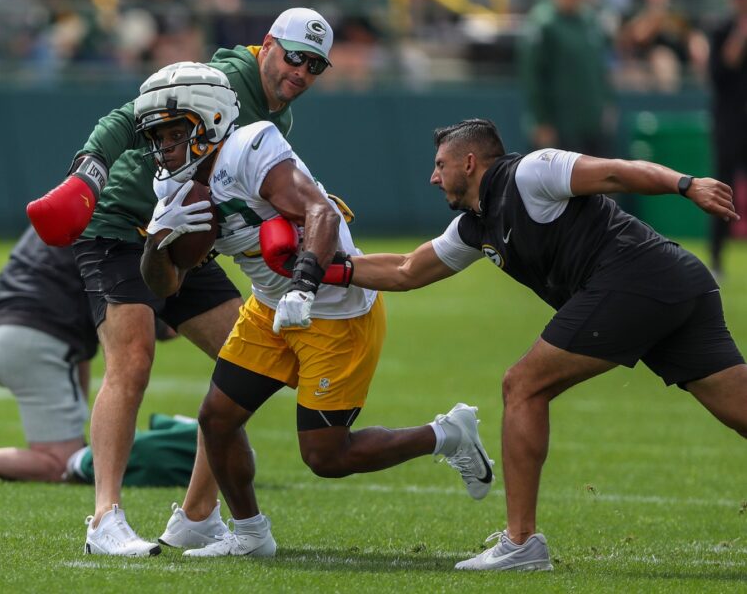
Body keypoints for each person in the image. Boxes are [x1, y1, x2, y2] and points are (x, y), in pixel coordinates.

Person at [319, 118, 747, 571]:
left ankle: (520, 543)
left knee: (523, 386)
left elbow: (617, 172)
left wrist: (687, 184)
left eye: (440, 165)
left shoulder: (531, 172)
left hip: (636, 279)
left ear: (469, 162)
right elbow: (407, 269)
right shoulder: (474, 227)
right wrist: (329, 267)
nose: (433, 176)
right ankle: (520, 542)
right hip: (675, 282)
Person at [135, 63, 496, 558]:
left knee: (326, 456)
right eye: (158, 136)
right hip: (268, 307)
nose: (165, 147)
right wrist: (156, 244)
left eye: (175, 133)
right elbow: (168, 284)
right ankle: (250, 534)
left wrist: (303, 286)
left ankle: (447, 435)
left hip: (332, 307)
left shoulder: (250, 147)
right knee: (216, 420)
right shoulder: (170, 189)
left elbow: (319, 212)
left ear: (211, 121)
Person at [24, 8, 342, 557]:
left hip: (186, 235)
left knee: (248, 361)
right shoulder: (221, 76)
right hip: (121, 225)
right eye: (295, 56)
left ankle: (197, 516)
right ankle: (105, 518)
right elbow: (129, 114)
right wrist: (88, 174)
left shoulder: (277, 118)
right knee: (133, 359)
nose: (302, 71)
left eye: (316, 65)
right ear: (266, 45)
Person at [0, 226, 199, 488]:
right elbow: (158, 324)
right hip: (33, 338)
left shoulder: (79, 205)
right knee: (61, 463)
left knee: (73, 449)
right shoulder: (118, 223)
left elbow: (82, 346)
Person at [518, 0, 616, 156]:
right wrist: (541, 121)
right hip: (560, 127)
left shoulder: (591, 20)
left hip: (592, 124)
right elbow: (532, 78)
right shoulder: (543, 22)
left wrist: (608, 102)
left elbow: (601, 69)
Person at [708, 0, 747, 278]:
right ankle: (716, 258)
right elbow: (721, 70)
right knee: (723, 189)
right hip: (730, 122)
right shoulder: (722, 30)